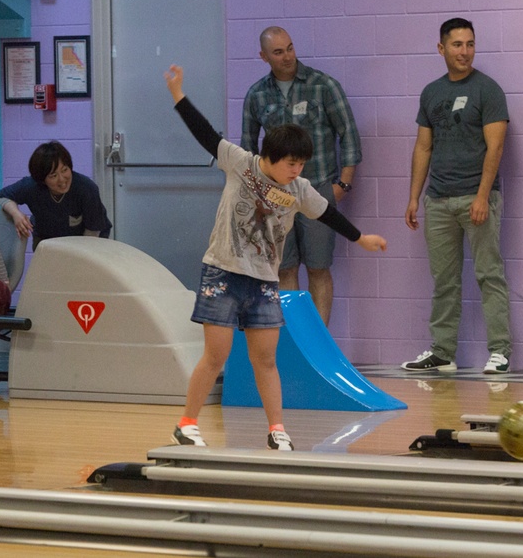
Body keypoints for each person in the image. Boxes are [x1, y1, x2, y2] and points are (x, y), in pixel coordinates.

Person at [164, 65, 387, 450]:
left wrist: (361, 237)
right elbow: (205, 134)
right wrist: (179, 95)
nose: (297, 171)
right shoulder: (240, 163)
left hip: (264, 280)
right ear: (271, 156)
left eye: (301, 164)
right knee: (215, 356)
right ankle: (187, 423)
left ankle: (277, 429)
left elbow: (327, 212)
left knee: (266, 360)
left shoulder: (299, 188)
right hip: (223, 272)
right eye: (291, 164)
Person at [402, 17, 513, 375]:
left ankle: (499, 351)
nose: (464, 51)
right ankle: (443, 352)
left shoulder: (488, 90)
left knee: (488, 274)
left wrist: (482, 196)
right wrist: (414, 197)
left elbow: (495, 148)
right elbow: (423, 147)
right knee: (444, 280)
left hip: (477, 198)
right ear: (441, 48)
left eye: (470, 44)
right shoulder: (431, 92)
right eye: (457, 45)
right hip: (439, 201)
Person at [242, 26, 362, 325]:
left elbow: (348, 133)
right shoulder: (257, 94)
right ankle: (295, 342)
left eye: (290, 48)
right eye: (278, 52)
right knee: (284, 269)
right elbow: (247, 149)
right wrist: (259, 193)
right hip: (276, 196)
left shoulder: (323, 86)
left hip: (319, 186)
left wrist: (343, 184)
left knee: (319, 268)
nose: (287, 57)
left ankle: (319, 346)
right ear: (264, 56)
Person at [0, 141, 111, 250]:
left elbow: (93, 231)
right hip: (46, 238)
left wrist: (79, 258)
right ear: (42, 179)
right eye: (53, 175)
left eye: (65, 170)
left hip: (88, 237)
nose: (62, 179)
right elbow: (3, 196)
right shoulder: (31, 186)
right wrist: (16, 214)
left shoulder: (87, 188)